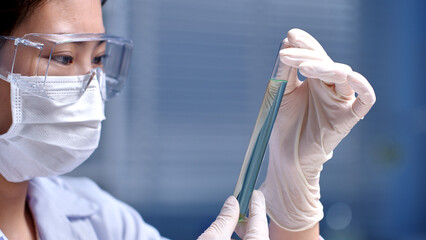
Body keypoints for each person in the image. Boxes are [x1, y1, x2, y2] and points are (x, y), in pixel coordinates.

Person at [0, 0, 376, 239]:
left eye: (98, 59)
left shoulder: (101, 220)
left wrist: (297, 209)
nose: (90, 85)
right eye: (63, 58)